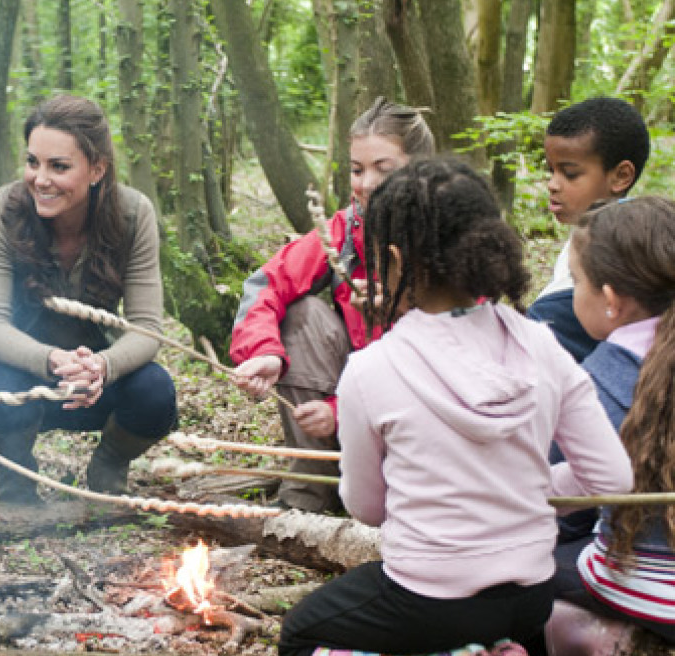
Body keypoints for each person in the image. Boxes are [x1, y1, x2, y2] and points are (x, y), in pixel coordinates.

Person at [277, 158, 633, 655]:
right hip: (531, 597)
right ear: (489, 244)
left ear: (395, 257)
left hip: (427, 600)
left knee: (301, 633)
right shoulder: (543, 344)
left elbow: (367, 508)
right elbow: (612, 480)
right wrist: (527, 489)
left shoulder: (372, 369)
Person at [230, 97, 435, 513]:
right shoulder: (344, 230)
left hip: (427, 427)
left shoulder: (451, 238)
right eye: (357, 170)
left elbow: (444, 370)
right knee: (302, 313)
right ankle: (310, 492)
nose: (366, 184)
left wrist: (341, 412)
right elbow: (267, 285)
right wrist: (265, 354)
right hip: (357, 397)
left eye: (384, 169)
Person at [0, 94, 177, 504]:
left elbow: (147, 328)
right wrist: (51, 360)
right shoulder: (2, 209)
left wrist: (103, 365)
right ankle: (15, 474)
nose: (40, 179)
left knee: (156, 392)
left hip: (95, 383)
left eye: (59, 166)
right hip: (22, 375)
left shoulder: (133, 213)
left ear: (97, 169)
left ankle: (110, 464)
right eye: (33, 162)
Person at [546, 197, 675, 654]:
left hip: (646, 596)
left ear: (610, 301)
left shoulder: (601, 376)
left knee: (519, 571)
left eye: (576, 282)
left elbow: (564, 493)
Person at [528, 96, 650, 363]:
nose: (552, 184)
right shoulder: (587, 234)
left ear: (621, 176)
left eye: (569, 173)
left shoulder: (616, 258)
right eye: (551, 171)